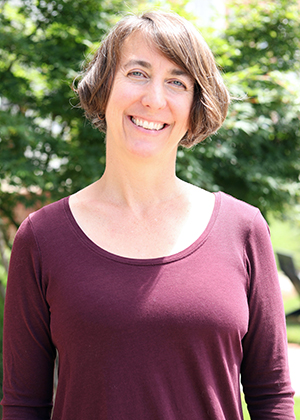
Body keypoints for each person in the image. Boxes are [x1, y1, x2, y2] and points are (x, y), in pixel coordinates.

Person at [1, 11, 295, 420]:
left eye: (177, 82)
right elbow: (22, 406)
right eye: (137, 73)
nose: (154, 98)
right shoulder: (42, 238)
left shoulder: (243, 229)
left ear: (195, 107)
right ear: (103, 89)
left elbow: (273, 397)